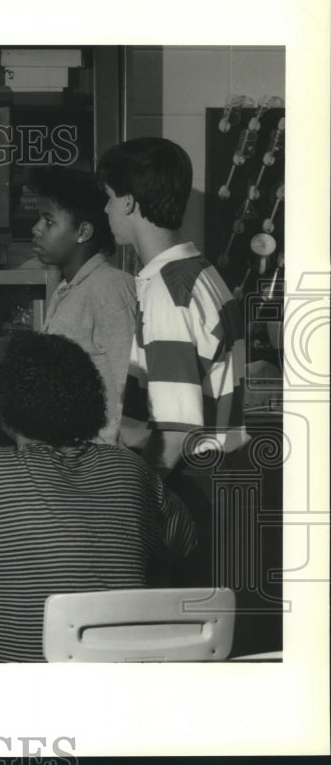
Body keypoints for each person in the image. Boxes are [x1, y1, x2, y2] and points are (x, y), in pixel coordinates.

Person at [0, 330, 197, 663]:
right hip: (119, 690)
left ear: (9, 406)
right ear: (90, 399)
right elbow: (185, 542)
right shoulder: (130, 469)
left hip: (25, 695)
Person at [97, 137, 250, 591]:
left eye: (108, 199)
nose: (106, 212)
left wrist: (131, 506)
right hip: (223, 484)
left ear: (128, 201)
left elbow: (176, 431)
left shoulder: (167, 291)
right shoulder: (200, 272)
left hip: (192, 491)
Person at [28, 166, 135, 443]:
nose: (36, 229)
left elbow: (129, 392)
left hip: (97, 468)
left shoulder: (109, 287)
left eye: (49, 221)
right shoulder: (68, 288)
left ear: (83, 231)